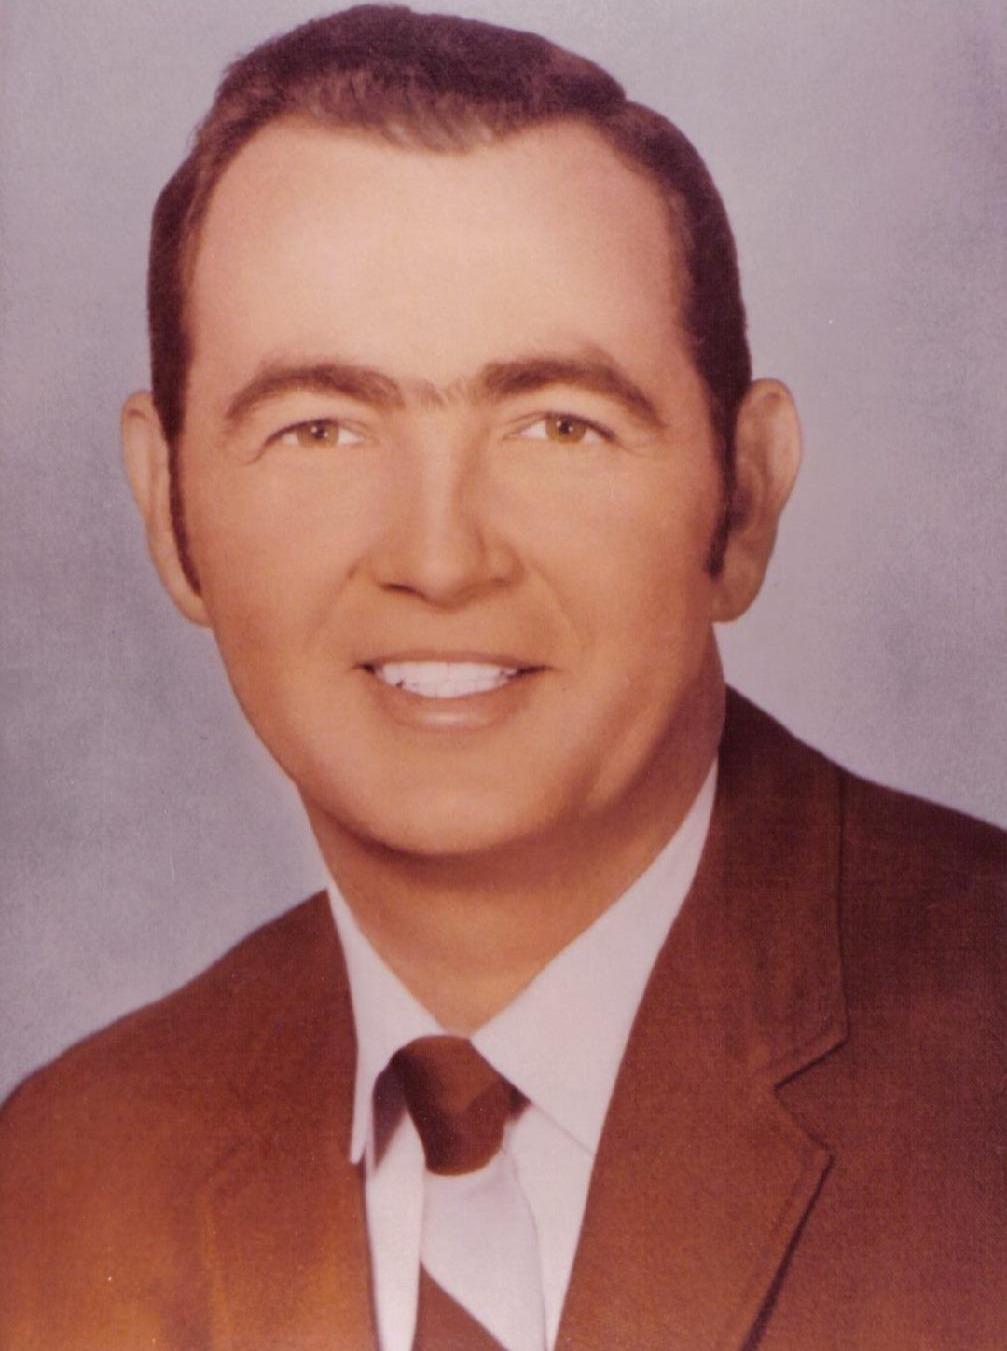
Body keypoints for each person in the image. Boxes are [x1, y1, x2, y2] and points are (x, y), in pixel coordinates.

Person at [1, 7, 1003, 1349]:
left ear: (745, 497)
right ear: (167, 505)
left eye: (557, 423)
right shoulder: (64, 1173)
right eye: (320, 426)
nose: (439, 558)